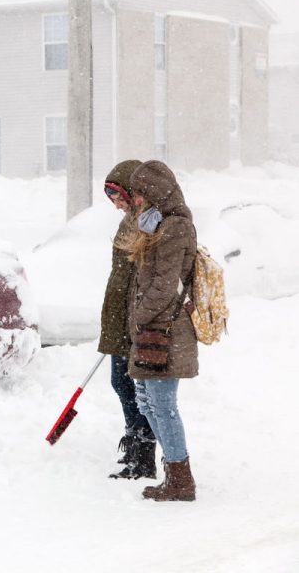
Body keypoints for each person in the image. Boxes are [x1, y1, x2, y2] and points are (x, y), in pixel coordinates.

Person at [118, 160, 198, 502]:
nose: (136, 201)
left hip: (168, 329)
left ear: (154, 192)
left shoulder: (176, 227)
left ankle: (181, 478)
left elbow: (165, 285)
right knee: (148, 403)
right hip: (153, 327)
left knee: (162, 404)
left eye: (139, 194)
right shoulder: (155, 224)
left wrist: (140, 315)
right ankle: (174, 470)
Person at [99, 160, 157, 480]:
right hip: (119, 313)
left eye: (119, 196)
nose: (116, 204)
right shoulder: (129, 221)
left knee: (137, 387)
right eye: (112, 199)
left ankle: (144, 455)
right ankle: (134, 444)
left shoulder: (147, 221)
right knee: (121, 382)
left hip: (135, 315)